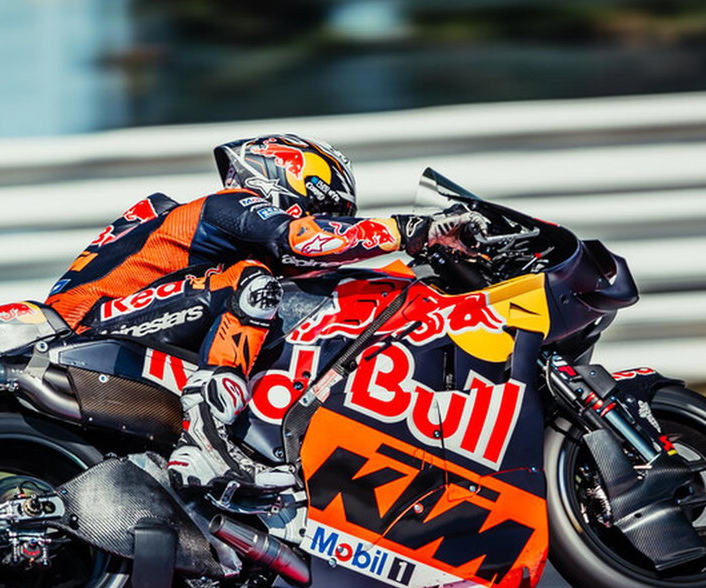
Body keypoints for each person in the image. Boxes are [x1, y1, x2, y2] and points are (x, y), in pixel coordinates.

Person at [45, 134, 483, 490]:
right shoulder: (226, 205)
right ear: (292, 179)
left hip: (117, 325)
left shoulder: (207, 236)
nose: (330, 223)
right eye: (326, 212)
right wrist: (410, 229)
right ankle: (205, 441)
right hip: (87, 322)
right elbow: (296, 239)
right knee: (253, 282)